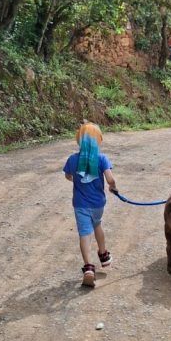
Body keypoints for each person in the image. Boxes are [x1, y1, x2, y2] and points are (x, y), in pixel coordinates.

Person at [63, 121, 117, 287]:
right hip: (98, 204)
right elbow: (110, 179)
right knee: (97, 225)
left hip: (80, 204)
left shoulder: (72, 159)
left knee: (84, 233)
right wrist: (113, 187)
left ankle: (88, 268)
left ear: (79, 140)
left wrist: (72, 177)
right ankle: (103, 255)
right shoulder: (101, 159)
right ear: (97, 140)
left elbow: (68, 175)